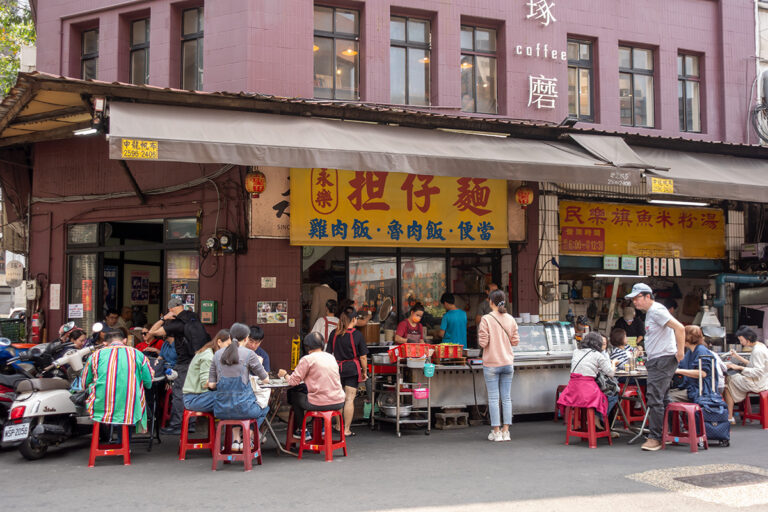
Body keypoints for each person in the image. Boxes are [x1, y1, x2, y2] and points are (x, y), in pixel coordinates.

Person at [625, 283, 685, 451]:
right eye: (633, 299)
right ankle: (676, 431)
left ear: (647, 296)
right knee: (663, 398)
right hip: (658, 360)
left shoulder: (657, 311)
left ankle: (655, 437)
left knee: (654, 398)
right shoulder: (652, 312)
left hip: (662, 359)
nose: (635, 302)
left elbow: (680, 328)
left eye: (637, 298)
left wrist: (680, 352)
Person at [150, 297, 211, 435]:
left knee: (179, 393)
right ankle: (190, 423)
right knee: (193, 391)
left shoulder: (177, 324)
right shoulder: (194, 318)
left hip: (184, 363)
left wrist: (164, 318)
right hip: (198, 361)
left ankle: (177, 424)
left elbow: (152, 332)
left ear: (171, 309)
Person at [208, 323, 269, 451]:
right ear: (246, 339)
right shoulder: (249, 354)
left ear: (230, 337)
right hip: (244, 408)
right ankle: (248, 437)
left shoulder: (217, 354)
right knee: (264, 407)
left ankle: (236, 440)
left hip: (221, 409)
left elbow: (211, 384)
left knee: (234, 404)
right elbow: (266, 379)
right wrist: (259, 364)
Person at [81, 329, 154, 431]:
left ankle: (108, 434)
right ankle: (125, 441)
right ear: (125, 341)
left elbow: (84, 383)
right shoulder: (138, 354)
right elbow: (148, 383)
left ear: (104, 343)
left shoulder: (94, 356)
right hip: (130, 408)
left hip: (100, 408)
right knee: (133, 398)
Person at [278, 332, 346, 438]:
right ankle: (322, 427)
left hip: (320, 403)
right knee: (316, 395)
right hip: (339, 402)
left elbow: (293, 382)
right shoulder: (330, 357)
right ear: (322, 344)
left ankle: (302, 430)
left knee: (295, 396)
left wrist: (285, 374)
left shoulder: (307, 359)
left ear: (307, 347)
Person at [477, 289, 519, 442]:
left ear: (490, 302)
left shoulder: (486, 319)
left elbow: (483, 343)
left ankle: (496, 431)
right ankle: (506, 431)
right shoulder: (511, 319)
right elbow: (515, 341)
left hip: (492, 363)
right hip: (508, 363)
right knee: (506, 398)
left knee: (494, 398)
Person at [558, 332, 619, 429]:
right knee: (612, 395)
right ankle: (597, 418)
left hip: (572, 390)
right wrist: (614, 364)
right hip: (588, 391)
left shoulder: (576, 352)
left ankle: (590, 422)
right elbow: (611, 373)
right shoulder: (597, 355)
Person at [326, 306, 368, 436]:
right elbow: (363, 357)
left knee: (339, 398)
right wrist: (364, 371)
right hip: (352, 369)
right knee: (349, 399)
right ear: (354, 319)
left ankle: (338, 425)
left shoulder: (334, 333)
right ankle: (347, 429)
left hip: (336, 368)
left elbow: (328, 353)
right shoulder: (357, 335)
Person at [723, 326, 768, 424]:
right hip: (761, 380)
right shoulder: (761, 346)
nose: (741, 343)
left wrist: (739, 367)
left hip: (757, 383)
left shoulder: (757, 351)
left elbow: (758, 371)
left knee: (727, 383)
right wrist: (737, 357)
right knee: (731, 380)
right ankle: (731, 416)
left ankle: (729, 417)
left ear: (749, 338)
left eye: (741, 340)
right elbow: (753, 365)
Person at [182, 329, 228, 413]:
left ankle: (234, 425)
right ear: (219, 342)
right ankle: (234, 426)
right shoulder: (208, 357)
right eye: (228, 345)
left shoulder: (214, 354)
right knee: (231, 397)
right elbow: (206, 383)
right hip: (194, 398)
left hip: (203, 396)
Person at [669, 325, 715, 403]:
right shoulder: (690, 352)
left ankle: (678, 415)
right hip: (691, 388)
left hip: (700, 391)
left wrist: (678, 371)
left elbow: (703, 373)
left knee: (667, 398)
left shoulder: (701, 351)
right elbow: (680, 365)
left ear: (687, 338)